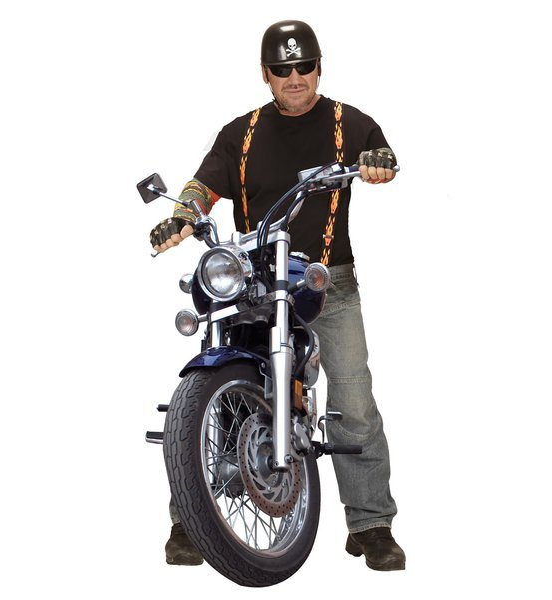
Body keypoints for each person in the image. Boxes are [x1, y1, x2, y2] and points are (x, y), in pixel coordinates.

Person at [151, 20, 405, 572]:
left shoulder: (348, 123)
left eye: (304, 66)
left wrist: (379, 162)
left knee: (354, 401)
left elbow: (379, 150)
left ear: (319, 68)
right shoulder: (239, 134)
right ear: (265, 74)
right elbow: (201, 187)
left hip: (326, 280)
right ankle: (190, 518)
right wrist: (182, 214)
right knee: (219, 387)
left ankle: (370, 524)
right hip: (256, 277)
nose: (295, 77)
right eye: (283, 69)